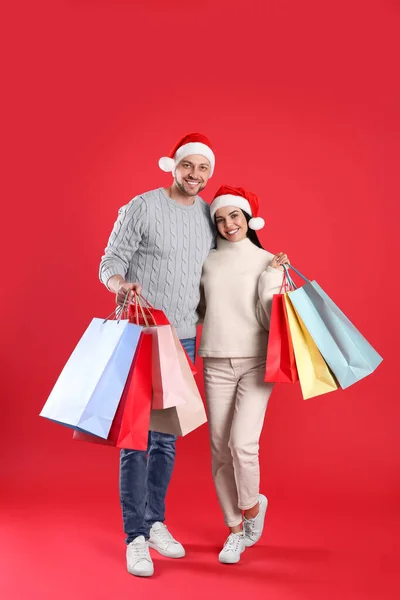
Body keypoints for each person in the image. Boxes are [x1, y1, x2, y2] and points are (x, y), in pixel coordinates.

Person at [99, 133, 216, 577]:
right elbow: (109, 262)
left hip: (183, 339)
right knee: (137, 439)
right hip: (142, 335)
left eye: (204, 169)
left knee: (165, 439)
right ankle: (135, 538)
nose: (195, 175)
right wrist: (119, 285)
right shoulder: (142, 207)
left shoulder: (208, 215)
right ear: (173, 166)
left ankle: (155, 521)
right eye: (189, 166)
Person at [197, 185, 289, 564]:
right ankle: (234, 528)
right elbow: (199, 310)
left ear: (249, 218)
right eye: (220, 218)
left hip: (255, 361)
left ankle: (252, 506)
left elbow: (271, 322)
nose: (227, 224)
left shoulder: (268, 261)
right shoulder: (207, 260)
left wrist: (271, 279)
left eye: (234, 216)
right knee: (219, 449)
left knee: (242, 445)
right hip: (215, 359)